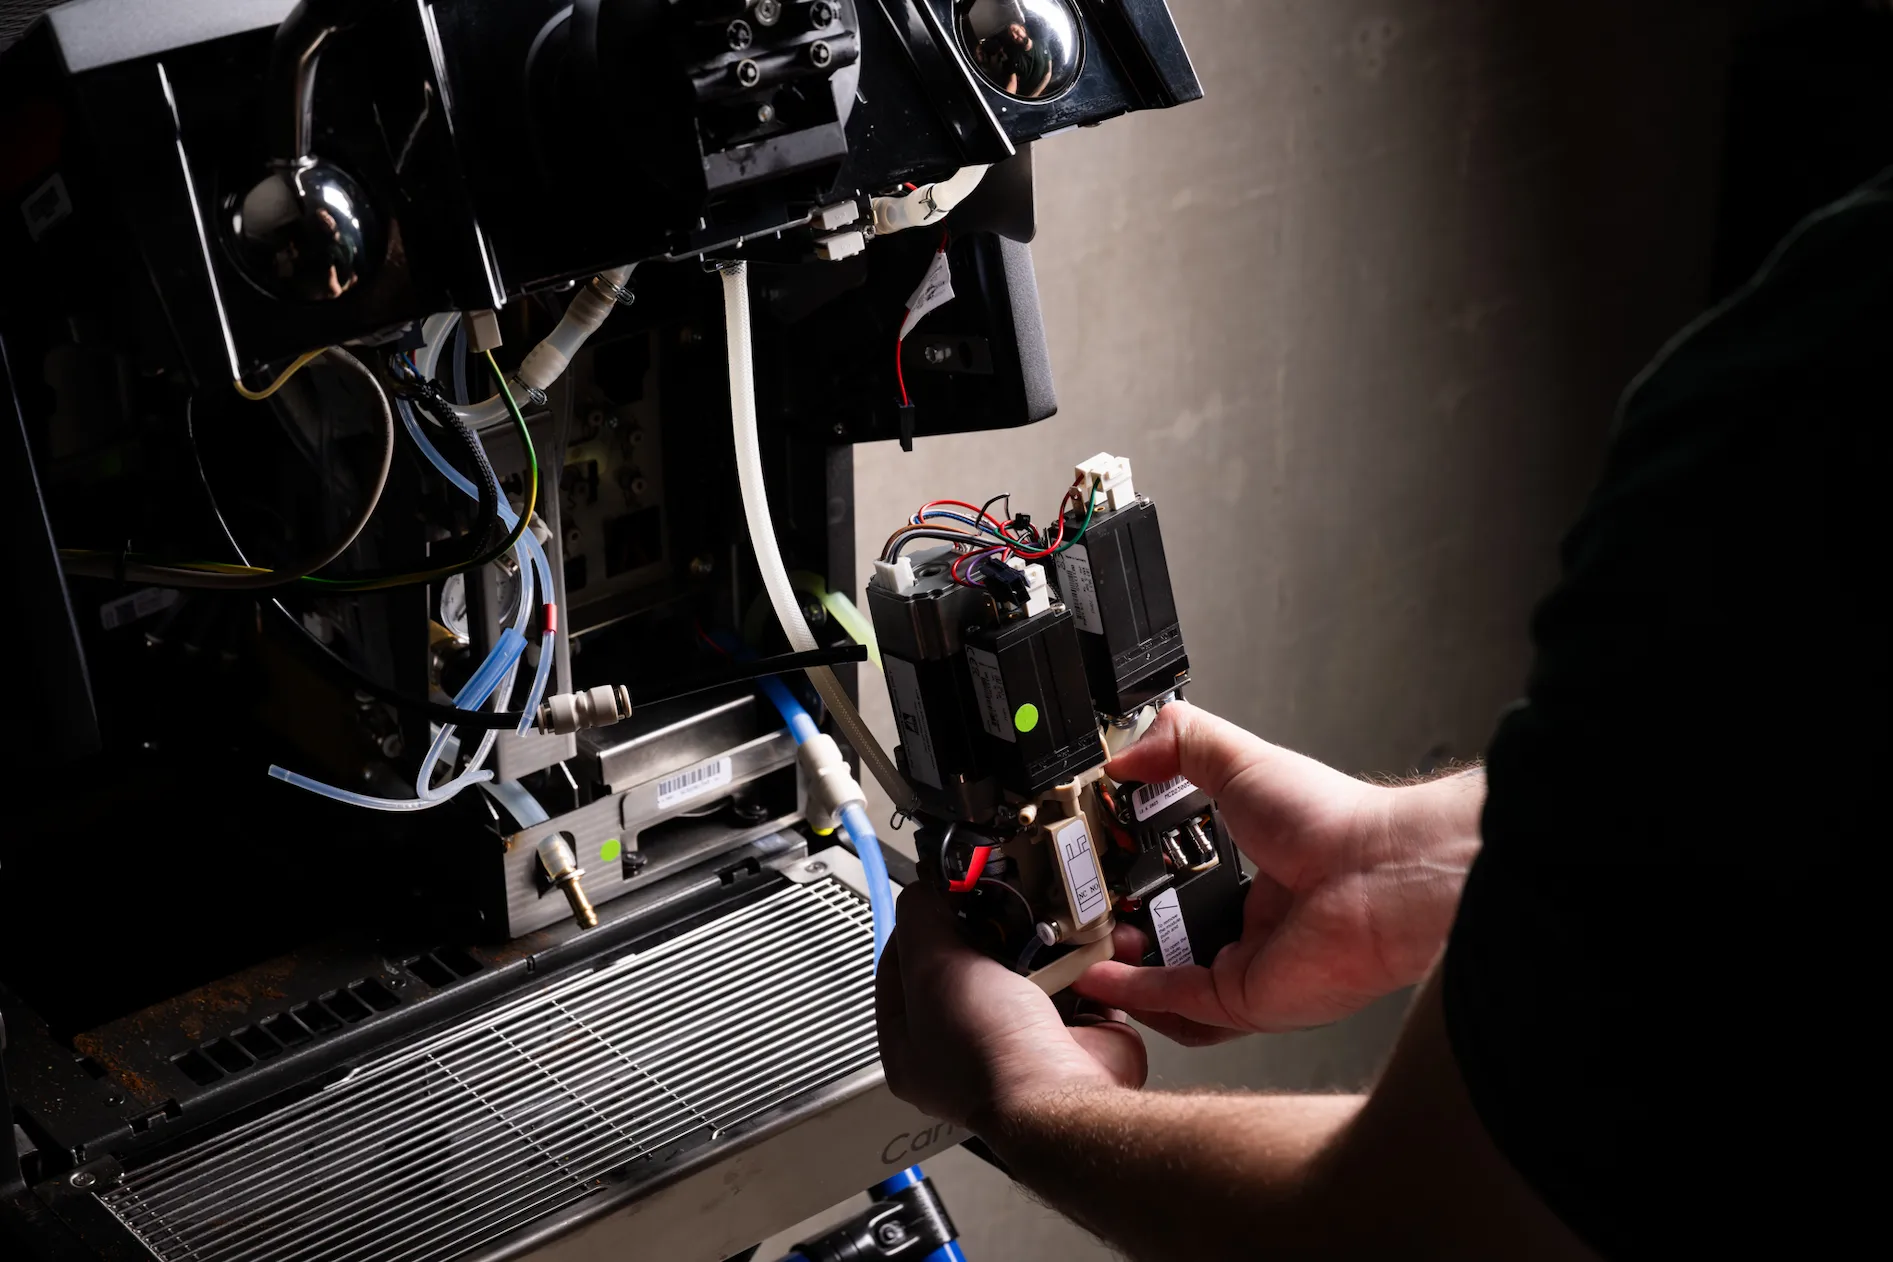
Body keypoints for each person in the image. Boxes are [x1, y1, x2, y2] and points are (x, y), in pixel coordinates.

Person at [875, 165, 1889, 1257]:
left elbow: (1422, 1226)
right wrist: (1416, 851)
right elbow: (1776, 787)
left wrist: (1034, 1101)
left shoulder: (1822, 376)